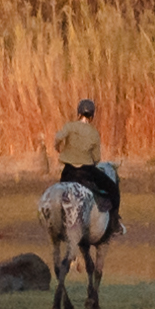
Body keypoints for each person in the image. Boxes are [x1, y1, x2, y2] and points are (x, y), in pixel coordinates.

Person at [52, 97, 122, 239]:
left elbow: (58, 137)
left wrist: (58, 148)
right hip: (86, 172)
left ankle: (57, 225)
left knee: (59, 195)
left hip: (68, 172)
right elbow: (96, 159)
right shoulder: (94, 133)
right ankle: (114, 224)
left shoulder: (69, 126)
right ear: (92, 115)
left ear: (79, 113)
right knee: (113, 189)